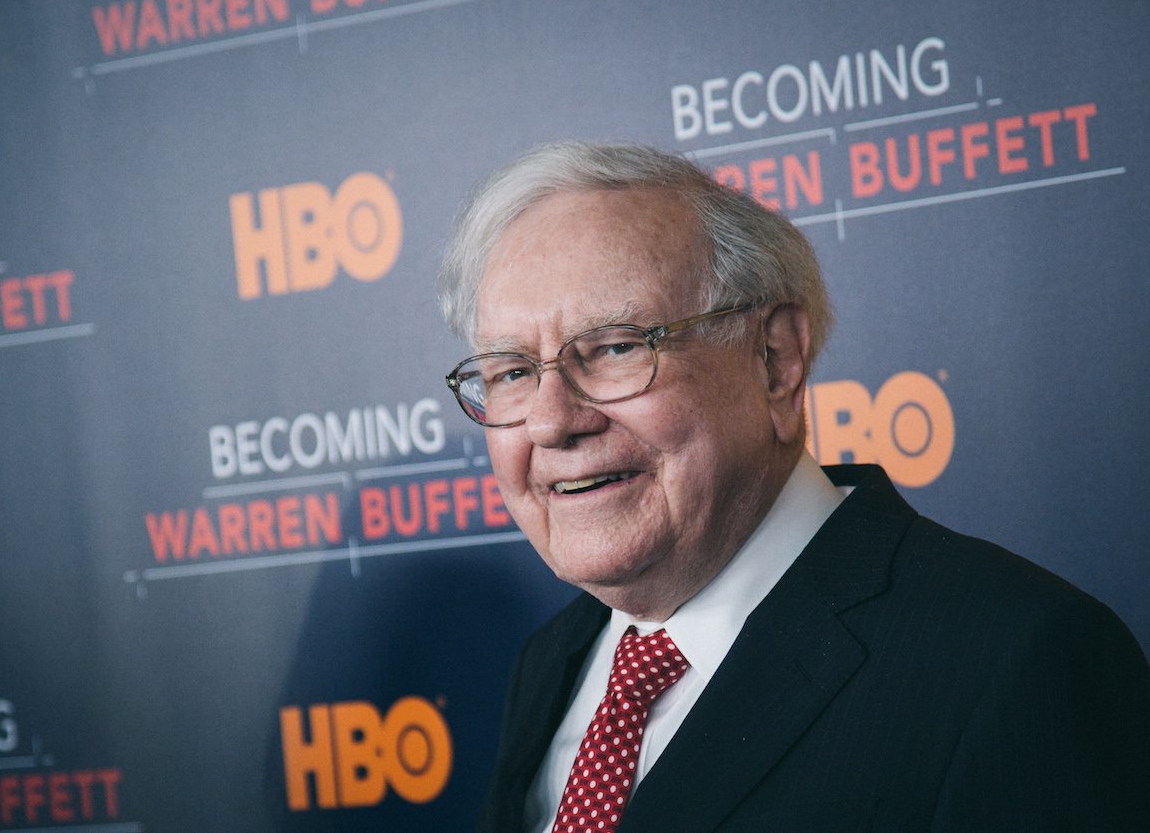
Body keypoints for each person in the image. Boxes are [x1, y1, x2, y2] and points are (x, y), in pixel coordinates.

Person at [438, 142, 1150, 832]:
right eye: (509, 371)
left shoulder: (1016, 660)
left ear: (775, 360)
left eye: (618, 346)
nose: (554, 420)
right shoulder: (553, 659)